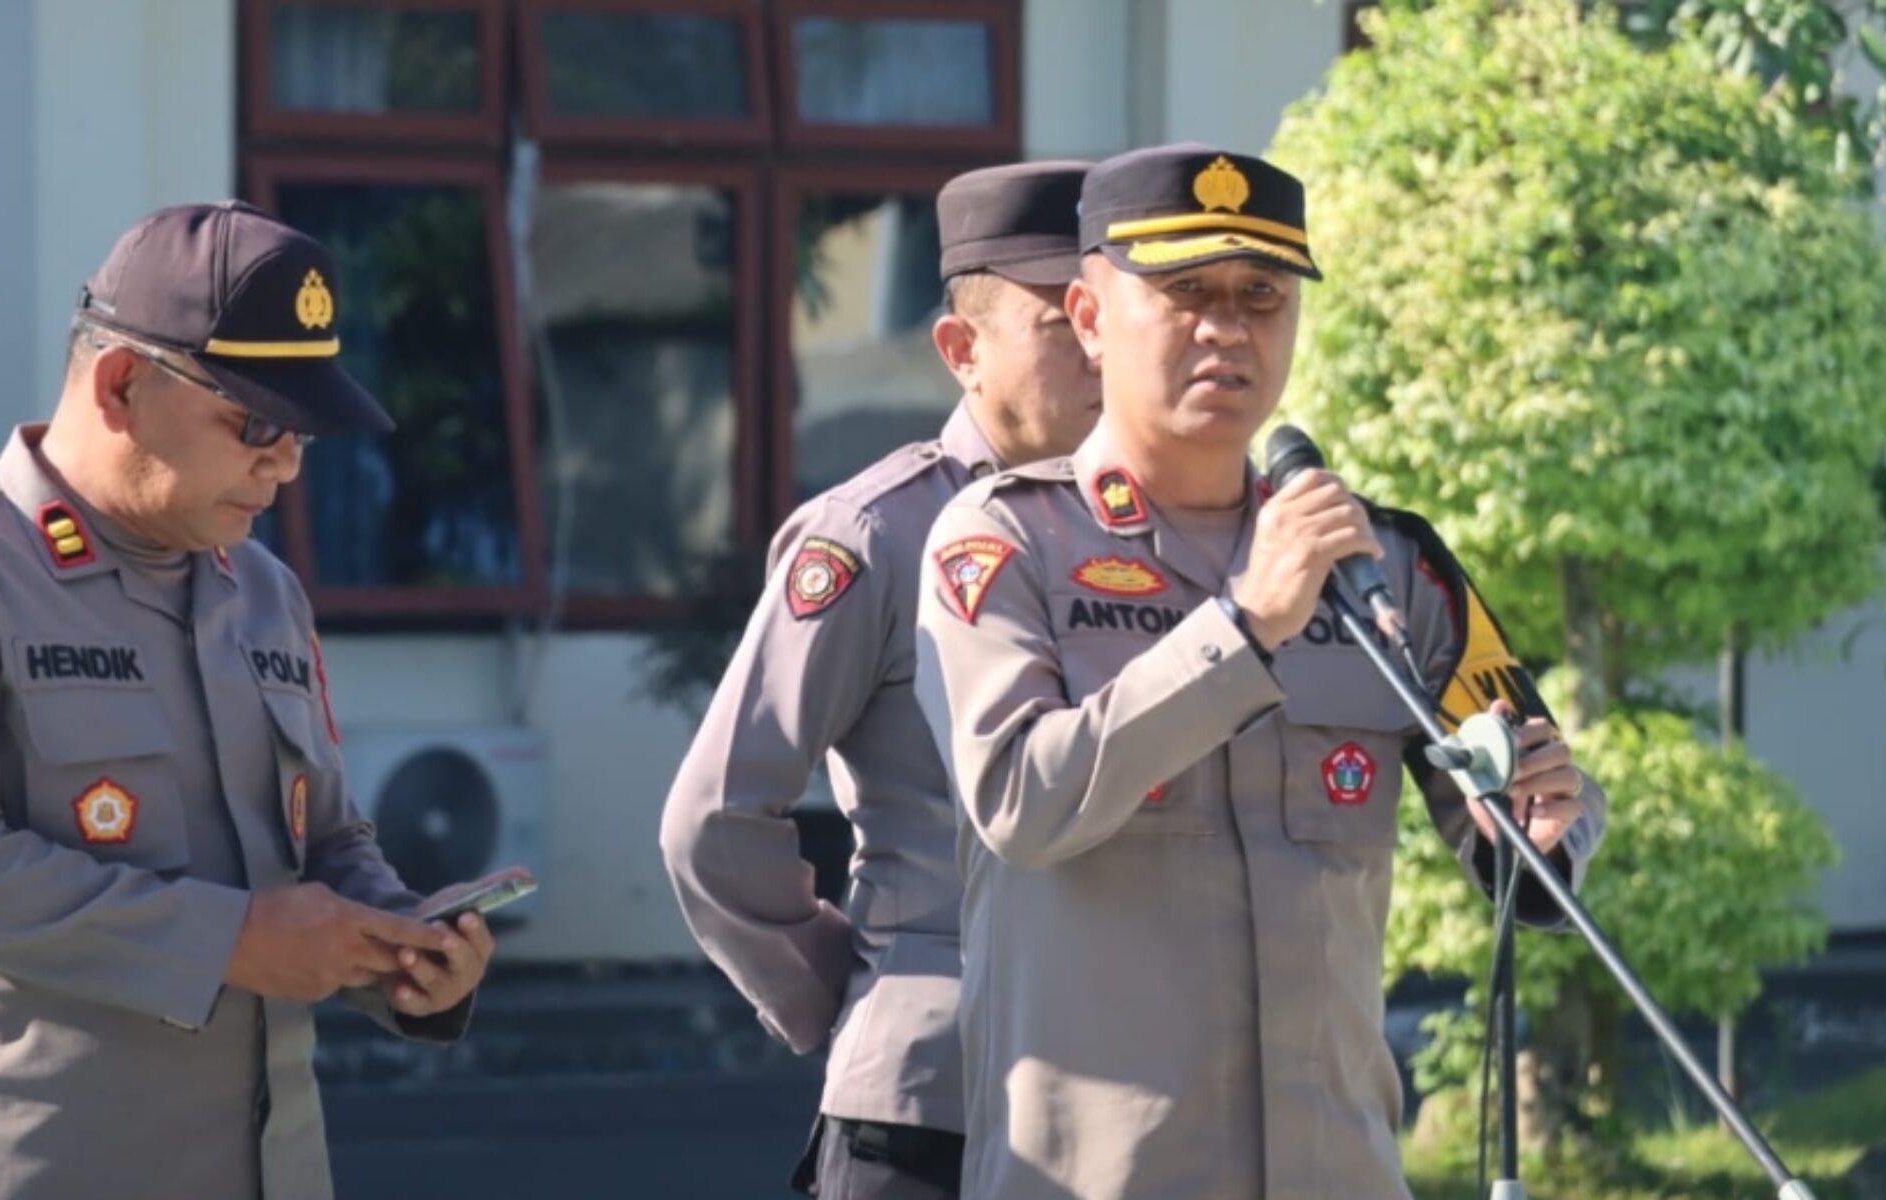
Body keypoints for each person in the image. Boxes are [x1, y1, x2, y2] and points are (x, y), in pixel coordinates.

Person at [912, 144, 1609, 1200]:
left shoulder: (1385, 566)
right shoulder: (1003, 545)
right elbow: (1022, 800)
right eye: (1184, 292)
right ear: (1090, 318)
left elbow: (1527, 800)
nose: (1227, 328)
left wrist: (1553, 830)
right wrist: (1241, 629)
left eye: (1261, 296)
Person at [0, 201, 500, 1200]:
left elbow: (332, 844)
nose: (286, 462)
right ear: (122, 384)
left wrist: (408, 946)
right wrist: (233, 940)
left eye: (304, 432)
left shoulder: (263, 592)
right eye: (255, 420)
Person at [659, 161, 1098, 1199]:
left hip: (1121, 1091)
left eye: (1105, 316)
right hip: (931, 1100)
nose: (1097, 351)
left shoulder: (1150, 533)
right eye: (1057, 321)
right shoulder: (880, 533)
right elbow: (713, 822)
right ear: (961, 349)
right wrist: (863, 985)